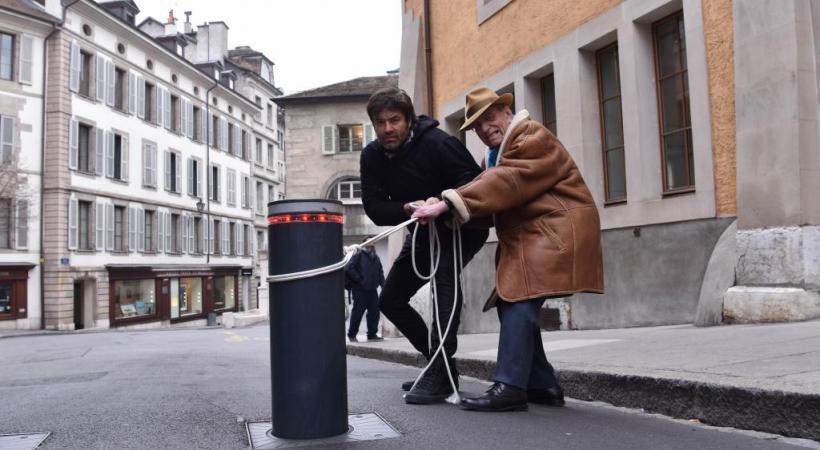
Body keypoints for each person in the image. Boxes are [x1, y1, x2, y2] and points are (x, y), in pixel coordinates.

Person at [413, 87, 604, 412]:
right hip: (542, 231)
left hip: (556, 229)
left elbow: (508, 181)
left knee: (517, 299)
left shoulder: (530, 137)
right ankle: (541, 384)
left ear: (506, 112)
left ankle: (511, 387)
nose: (485, 128)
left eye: (490, 118)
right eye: (477, 125)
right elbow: (499, 198)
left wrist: (448, 202)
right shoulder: (503, 152)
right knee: (511, 300)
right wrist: (446, 209)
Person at [361, 87, 489, 404]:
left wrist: (443, 199)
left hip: (459, 227)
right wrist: (405, 207)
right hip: (420, 231)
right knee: (390, 300)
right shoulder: (372, 156)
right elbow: (374, 207)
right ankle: (440, 367)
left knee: (444, 281)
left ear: (408, 120)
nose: (388, 128)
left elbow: (475, 182)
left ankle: (440, 371)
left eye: (394, 120)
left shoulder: (438, 143)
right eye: (380, 123)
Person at [345, 240, 386, 342]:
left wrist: (384, 286)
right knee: (358, 313)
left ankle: (372, 334)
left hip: (372, 290)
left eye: (373, 243)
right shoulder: (358, 254)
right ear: (364, 244)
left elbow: (380, 273)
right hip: (360, 290)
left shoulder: (376, 258)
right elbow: (349, 268)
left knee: (374, 312)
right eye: (369, 242)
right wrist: (360, 280)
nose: (372, 244)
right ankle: (352, 334)